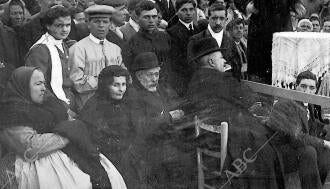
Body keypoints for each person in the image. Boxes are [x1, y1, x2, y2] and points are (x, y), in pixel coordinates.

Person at [0, 67, 127, 189]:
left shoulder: (49, 104)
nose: (44, 88)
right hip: (32, 162)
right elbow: (30, 147)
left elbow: (70, 122)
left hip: (64, 153)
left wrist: (73, 128)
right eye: (38, 84)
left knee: (111, 175)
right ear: (23, 86)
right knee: (75, 184)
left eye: (44, 83)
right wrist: (68, 134)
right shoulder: (12, 112)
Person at [186, 35, 282, 188]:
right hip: (227, 143)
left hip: (207, 141)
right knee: (267, 146)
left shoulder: (194, 81)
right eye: (221, 58)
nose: (224, 61)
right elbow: (248, 98)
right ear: (211, 62)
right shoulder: (221, 79)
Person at [126, 52, 189, 189]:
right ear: (138, 76)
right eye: (150, 75)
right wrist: (170, 117)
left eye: (156, 74)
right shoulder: (133, 95)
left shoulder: (160, 88)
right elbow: (141, 127)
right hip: (149, 148)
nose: (155, 79)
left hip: (168, 141)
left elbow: (175, 103)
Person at [266, 71, 330, 189]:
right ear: (296, 86)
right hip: (276, 155)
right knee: (308, 151)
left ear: (315, 90)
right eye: (303, 87)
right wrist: (324, 143)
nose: (307, 91)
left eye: (311, 88)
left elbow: (310, 125)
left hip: (292, 149)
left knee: (327, 152)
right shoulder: (286, 104)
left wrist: (327, 127)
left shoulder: (308, 103)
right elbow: (296, 138)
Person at [79, 65, 144, 188]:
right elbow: (95, 139)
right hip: (109, 160)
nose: (121, 89)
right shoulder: (93, 107)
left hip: (131, 156)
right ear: (105, 86)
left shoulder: (127, 102)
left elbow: (138, 129)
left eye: (123, 84)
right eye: (116, 85)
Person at [69, 5, 124, 110]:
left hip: (113, 104)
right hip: (88, 105)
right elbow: (76, 82)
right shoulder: (78, 49)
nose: (101, 26)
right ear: (88, 24)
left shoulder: (115, 49)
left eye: (105, 22)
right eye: (97, 22)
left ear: (110, 24)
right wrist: (105, 82)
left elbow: (123, 75)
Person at [24, 5, 74, 108]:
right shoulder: (40, 50)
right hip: (52, 105)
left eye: (68, 25)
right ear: (48, 26)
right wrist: (61, 109)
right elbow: (39, 86)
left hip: (69, 100)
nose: (65, 29)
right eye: (59, 25)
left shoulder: (63, 44)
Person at [122, 0, 171, 85]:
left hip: (167, 86)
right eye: (146, 17)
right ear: (137, 18)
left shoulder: (165, 37)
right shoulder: (132, 43)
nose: (151, 21)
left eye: (154, 17)